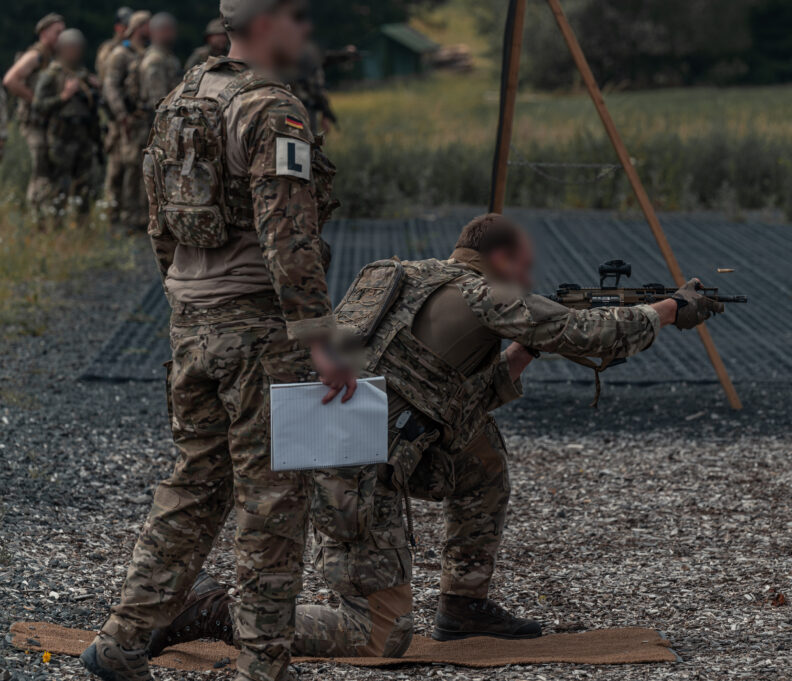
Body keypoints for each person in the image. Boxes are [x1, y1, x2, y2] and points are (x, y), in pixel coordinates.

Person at [148, 213, 725, 658]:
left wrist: (517, 357)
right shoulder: (484, 294)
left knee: (482, 459)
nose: (529, 282)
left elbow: (434, 396)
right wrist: (670, 309)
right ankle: (221, 612)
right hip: (353, 462)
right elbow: (587, 332)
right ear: (498, 258)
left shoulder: (398, 277)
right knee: (377, 635)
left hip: (338, 435)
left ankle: (464, 603)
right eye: (523, 269)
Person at [79, 0, 355, 677]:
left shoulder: (182, 97)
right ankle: (265, 664)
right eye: (298, 18)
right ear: (266, 24)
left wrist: (185, 296)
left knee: (193, 487)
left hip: (193, 320)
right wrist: (321, 339)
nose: (304, 31)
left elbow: (157, 219)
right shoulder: (273, 108)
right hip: (260, 330)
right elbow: (287, 232)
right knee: (274, 500)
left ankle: (120, 640)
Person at [31, 28, 102, 224]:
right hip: (62, 138)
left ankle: (83, 227)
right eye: (71, 47)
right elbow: (38, 106)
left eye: (79, 47)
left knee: (85, 185)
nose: (76, 51)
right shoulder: (51, 74)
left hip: (84, 136)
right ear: (61, 49)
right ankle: (56, 226)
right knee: (59, 185)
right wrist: (63, 97)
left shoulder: (84, 75)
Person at [3, 13, 66, 213]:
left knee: (51, 165)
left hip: (49, 121)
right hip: (33, 122)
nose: (61, 37)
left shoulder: (54, 58)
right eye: (58, 33)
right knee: (40, 165)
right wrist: (36, 101)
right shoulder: (35, 56)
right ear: (44, 33)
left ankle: (48, 209)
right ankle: (36, 212)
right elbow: (10, 80)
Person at [102, 10, 150, 231]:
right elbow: (110, 87)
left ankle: (140, 215)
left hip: (143, 120)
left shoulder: (146, 54)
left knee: (141, 167)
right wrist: (122, 116)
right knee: (124, 168)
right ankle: (122, 216)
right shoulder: (120, 54)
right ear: (139, 27)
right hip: (127, 122)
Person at [283, 42, 335, 136]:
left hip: (293, 110)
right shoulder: (308, 58)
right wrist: (325, 114)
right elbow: (318, 89)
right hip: (303, 110)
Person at [139, 13, 181, 110]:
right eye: (165, 30)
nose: (170, 34)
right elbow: (158, 99)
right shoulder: (155, 59)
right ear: (154, 32)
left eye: (172, 29)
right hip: (160, 118)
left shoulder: (169, 57)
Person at [96, 7, 134, 81]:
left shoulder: (135, 46)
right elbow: (103, 73)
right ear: (117, 27)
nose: (129, 29)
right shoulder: (108, 48)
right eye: (126, 26)